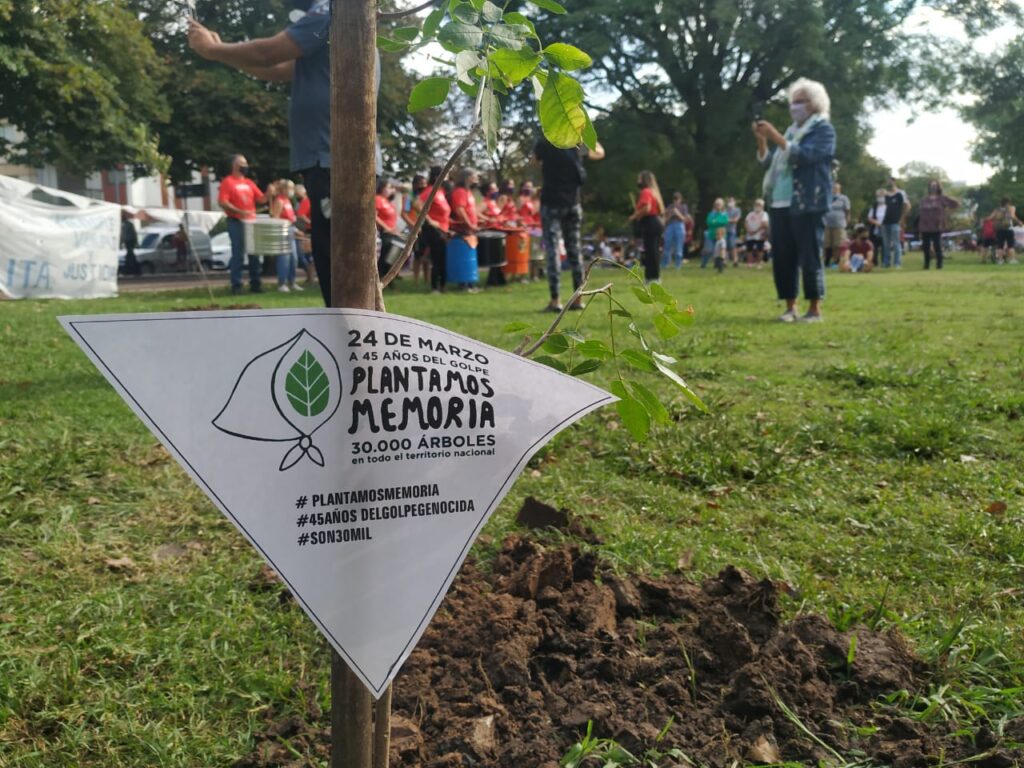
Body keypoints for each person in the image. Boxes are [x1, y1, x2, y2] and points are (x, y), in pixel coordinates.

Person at [189, 1, 382, 306]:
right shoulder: (337, 23)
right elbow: (278, 68)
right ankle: (351, 325)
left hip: (334, 158)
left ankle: (351, 329)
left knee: (340, 254)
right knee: (334, 250)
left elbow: (269, 53)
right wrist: (221, 52)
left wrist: (215, 50)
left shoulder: (332, 10)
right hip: (331, 158)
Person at [754, 77, 836, 322]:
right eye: (793, 102)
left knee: (810, 254)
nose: (795, 107)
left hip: (807, 201)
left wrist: (775, 136)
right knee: (784, 257)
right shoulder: (791, 131)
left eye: (800, 102)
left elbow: (804, 156)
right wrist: (762, 139)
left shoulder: (823, 130)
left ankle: (814, 309)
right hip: (779, 201)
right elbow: (769, 162)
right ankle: (790, 307)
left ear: (814, 104)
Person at [533, 135, 606, 312]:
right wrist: (581, 145)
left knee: (553, 251)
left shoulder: (545, 140)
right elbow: (600, 152)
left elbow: (534, 162)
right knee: (574, 251)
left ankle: (555, 300)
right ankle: (578, 299)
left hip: (551, 203)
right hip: (573, 204)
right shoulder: (574, 141)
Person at [216, 154, 266, 294]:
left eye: (246, 163)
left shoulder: (249, 183)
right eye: (242, 163)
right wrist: (239, 211)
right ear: (234, 166)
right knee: (237, 253)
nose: (245, 166)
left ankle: (256, 284)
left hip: (250, 222)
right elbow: (223, 202)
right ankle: (236, 285)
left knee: (254, 254)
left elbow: (261, 199)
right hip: (236, 221)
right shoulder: (228, 182)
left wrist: (270, 193)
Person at [413, 165, 451, 294]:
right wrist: (430, 220)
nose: (448, 177)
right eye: (445, 174)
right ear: (438, 177)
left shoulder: (440, 191)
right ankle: (435, 287)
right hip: (434, 231)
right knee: (437, 259)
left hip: (443, 230)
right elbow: (417, 204)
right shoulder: (431, 190)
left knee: (443, 259)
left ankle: (443, 286)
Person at [627, 170, 665, 284]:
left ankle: (652, 277)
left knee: (650, 252)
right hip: (656, 222)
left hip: (650, 222)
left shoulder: (646, 192)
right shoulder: (654, 192)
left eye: (639, 178)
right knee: (654, 251)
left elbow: (647, 208)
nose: (637, 181)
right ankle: (655, 277)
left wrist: (635, 216)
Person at [450, 168, 481, 292]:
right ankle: (463, 285)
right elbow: (460, 210)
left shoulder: (468, 192)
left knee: (469, 257)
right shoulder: (460, 192)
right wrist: (470, 224)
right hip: (463, 230)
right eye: (475, 176)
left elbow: (471, 210)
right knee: (464, 258)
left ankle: (470, 284)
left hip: (470, 230)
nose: (477, 179)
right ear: (467, 177)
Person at [917, 180, 960, 270]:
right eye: (931, 185)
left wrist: (947, 214)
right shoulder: (925, 199)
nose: (933, 187)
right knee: (926, 246)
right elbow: (921, 211)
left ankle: (939, 265)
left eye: (935, 185)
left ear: (938, 187)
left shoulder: (942, 198)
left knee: (937, 245)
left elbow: (956, 204)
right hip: (925, 225)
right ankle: (926, 264)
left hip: (937, 225)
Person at [269, 179, 303, 292]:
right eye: (290, 188)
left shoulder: (287, 200)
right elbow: (276, 218)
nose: (292, 191)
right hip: (283, 232)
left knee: (294, 258)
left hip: (291, 231)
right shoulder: (279, 201)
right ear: (283, 189)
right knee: (284, 259)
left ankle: (292, 281)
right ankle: (282, 283)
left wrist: (295, 229)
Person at [402, 174, 430, 285]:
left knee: (427, 256)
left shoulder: (426, 196)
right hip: (416, 231)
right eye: (421, 184)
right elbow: (404, 214)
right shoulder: (409, 197)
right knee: (418, 256)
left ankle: (427, 281)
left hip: (427, 229)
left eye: (425, 184)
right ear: (414, 185)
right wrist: (414, 226)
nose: (423, 186)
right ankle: (416, 281)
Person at [880, 177, 910, 268]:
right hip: (885, 221)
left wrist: (902, 218)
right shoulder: (884, 194)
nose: (889, 183)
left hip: (895, 221)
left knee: (896, 243)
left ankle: (897, 263)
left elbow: (907, 205)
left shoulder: (901, 193)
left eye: (890, 181)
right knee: (886, 243)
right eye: (887, 181)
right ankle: (886, 262)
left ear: (894, 182)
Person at [374, 178, 401, 280]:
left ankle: (388, 277)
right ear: (382, 188)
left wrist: (395, 229)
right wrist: (387, 228)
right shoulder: (377, 199)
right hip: (384, 233)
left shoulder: (388, 201)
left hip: (392, 232)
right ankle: (381, 277)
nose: (392, 190)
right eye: (390, 187)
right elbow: (374, 216)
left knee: (393, 255)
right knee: (385, 257)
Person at [823, 181, 850, 268]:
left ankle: (836, 261)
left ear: (839, 189)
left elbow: (847, 210)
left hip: (839, 223)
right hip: (827, 223)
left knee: (837, 244)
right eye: (832, 188)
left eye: (835, 188)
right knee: (827, 243)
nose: (833, 189)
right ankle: (826, 261)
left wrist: (847, 221)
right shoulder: (827, 197)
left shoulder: (844, 198)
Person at [293, 183, 316, 284]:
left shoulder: (306, 201)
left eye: (297, 193)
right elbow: (301, 214)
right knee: (309, 255)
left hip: (307, 230)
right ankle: (310, 278)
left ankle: (310, 278)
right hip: (308, 230)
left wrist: (310, 223)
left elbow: (300, 214)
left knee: (308, 255)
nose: (296, 195)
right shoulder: (307, 201)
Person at [989, 197, 1022, 265]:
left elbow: (991, 217)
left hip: (999, 229)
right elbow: (1013, 216)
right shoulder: (1011, 208)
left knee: (1000, 246)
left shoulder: (997, 209)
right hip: (1009, 229)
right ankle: (1012, 260)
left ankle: (1000, 260)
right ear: (1009, 202)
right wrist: (1019, 222)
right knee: (1011, 245)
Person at [662, 192, 688, 269]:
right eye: (674, 199)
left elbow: (685, 219)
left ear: (680, 200)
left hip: (680, 225)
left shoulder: (684, 207)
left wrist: (677, 213)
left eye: (677, 199)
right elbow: (665, 220)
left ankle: (678, 265)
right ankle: (665, 264)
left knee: (679, 246)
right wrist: (670, 214)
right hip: (670, 225)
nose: (676, 201)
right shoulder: (670, 207)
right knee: (667, 244)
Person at [702, 198, 729, 268]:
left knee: (720, 250)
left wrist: (715, 221)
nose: (718, 206)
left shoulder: (724, 214)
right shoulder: (711, 214)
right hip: (711, 235)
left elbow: (725, 222)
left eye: (719, 204)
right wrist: (718, 222)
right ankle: (703, 263)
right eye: (716, 204)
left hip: (721, 235)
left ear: (722, 205)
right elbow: (708, 222)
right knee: (708, 250)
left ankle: (719, 264)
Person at [743, 199, 769, 266]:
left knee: (759, 249)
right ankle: (750, 263)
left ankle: (759, 263)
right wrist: (748, 230)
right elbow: (746, 222)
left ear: (762, 206)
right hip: (750, 234)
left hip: (760, 234)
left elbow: (765, 224)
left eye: (759, 205)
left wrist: (755, 231)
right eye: (756, 204)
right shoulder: (750, 214)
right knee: (749, 248)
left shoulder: (764, 214)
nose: (757, 206)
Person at [866, 189, 886, 260]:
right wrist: (876, 222)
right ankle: (874, 261)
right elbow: (869, 217)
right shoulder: (874, 207)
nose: (880, 197)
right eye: (878, 196)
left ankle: (885, 261)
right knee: (874, 246)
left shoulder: (887, 207)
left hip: (885, 229)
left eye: (881, 196)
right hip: (875, 230)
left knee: (885, 246)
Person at [120, 208, 139, 276]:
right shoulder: (123, 225)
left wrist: (135, 242)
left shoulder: (128, 224)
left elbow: (133, 234)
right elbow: (122, 235)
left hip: (130, 241)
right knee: (129, 256)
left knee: (130, 255)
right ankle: (130, 269)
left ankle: (133, 270)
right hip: (127, 241)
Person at [725, 196, 742, 266]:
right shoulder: (724, 210)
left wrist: (726, 220)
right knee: (724, 246)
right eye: (729, 201)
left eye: (731, 201)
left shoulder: (737, 210)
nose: (730, 203)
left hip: (732, 230)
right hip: (724, 230)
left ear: (734, 202)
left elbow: (735, 220)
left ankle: (735, 260)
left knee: (732, 246)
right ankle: (724, 261)